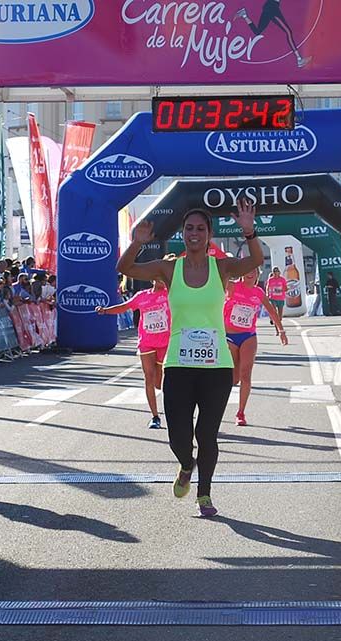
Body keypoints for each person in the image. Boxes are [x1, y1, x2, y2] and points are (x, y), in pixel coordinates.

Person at [117, 198, 263, 517]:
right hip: (179, 365)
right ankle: (186, 464)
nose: (194, 233)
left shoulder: (221, 267)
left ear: (209, 234)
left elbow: (254, 260)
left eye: (200, 228)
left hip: (217, 366)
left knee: (206, 434)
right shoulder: (169, 268)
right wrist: (136, 244)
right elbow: (124, 269)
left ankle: (205, 494)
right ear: (183, 234)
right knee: (178, 436)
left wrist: (249, 231)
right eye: (189, 229)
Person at [95, 279, 171, 429]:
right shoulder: (142, 296)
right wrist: (105, 310)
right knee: (148, 378)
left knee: (161, 383)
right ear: (152, 279)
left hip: (165, 343)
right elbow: (124, 307)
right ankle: (155, 416)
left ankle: (173, 411)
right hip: (146, 342)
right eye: (158, 276)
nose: (162, 280)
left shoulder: (170, 295)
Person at [225, 268, 289, 427]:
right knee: (233, 378)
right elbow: (216, 276)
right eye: (247, 269)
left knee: (245, 375)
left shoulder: (258, 292)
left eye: (253, 270)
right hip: (229, 336)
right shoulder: (232, 286)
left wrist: (281, 330)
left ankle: (240, 412)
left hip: (248, 336)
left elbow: (272, 312)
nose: (250, 272)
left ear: (258, 274)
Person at [235, 1, 310, 68]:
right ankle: (299, 59)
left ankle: (244, 15)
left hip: (268, 6)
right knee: (288, 32)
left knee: (257, 32)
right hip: (272, 7)